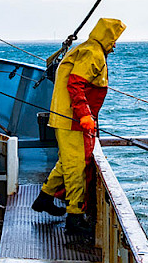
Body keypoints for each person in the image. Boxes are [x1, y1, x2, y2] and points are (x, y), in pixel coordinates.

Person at [32, 18, 126, 236]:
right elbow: (75, 83)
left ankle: (44, 198)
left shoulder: (86, 49)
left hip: (66, 118)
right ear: (106, 38)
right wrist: (84, 115)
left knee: (67, 162)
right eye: (113, 40)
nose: (114, 45)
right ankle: (74, 218)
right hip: (72, 120)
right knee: (77, 168)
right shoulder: (93, 53)